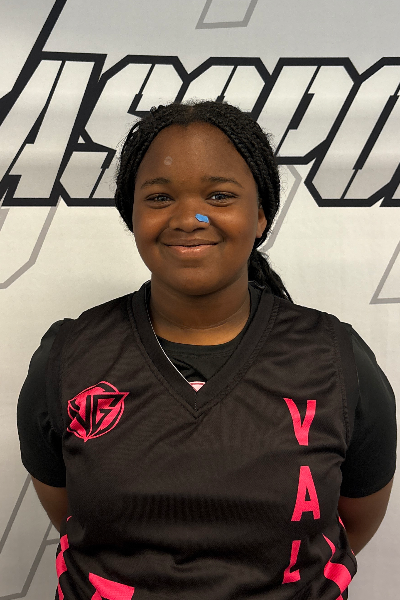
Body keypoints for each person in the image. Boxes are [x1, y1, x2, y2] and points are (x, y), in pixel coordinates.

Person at [17, 101, 396, 600]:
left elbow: (355, 521)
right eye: (159, 197)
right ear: (132, 216)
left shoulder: (335, 360)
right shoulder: (68, 357)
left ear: (260, 215)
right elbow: (73, 516)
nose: (189, 218)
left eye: (219, 196)